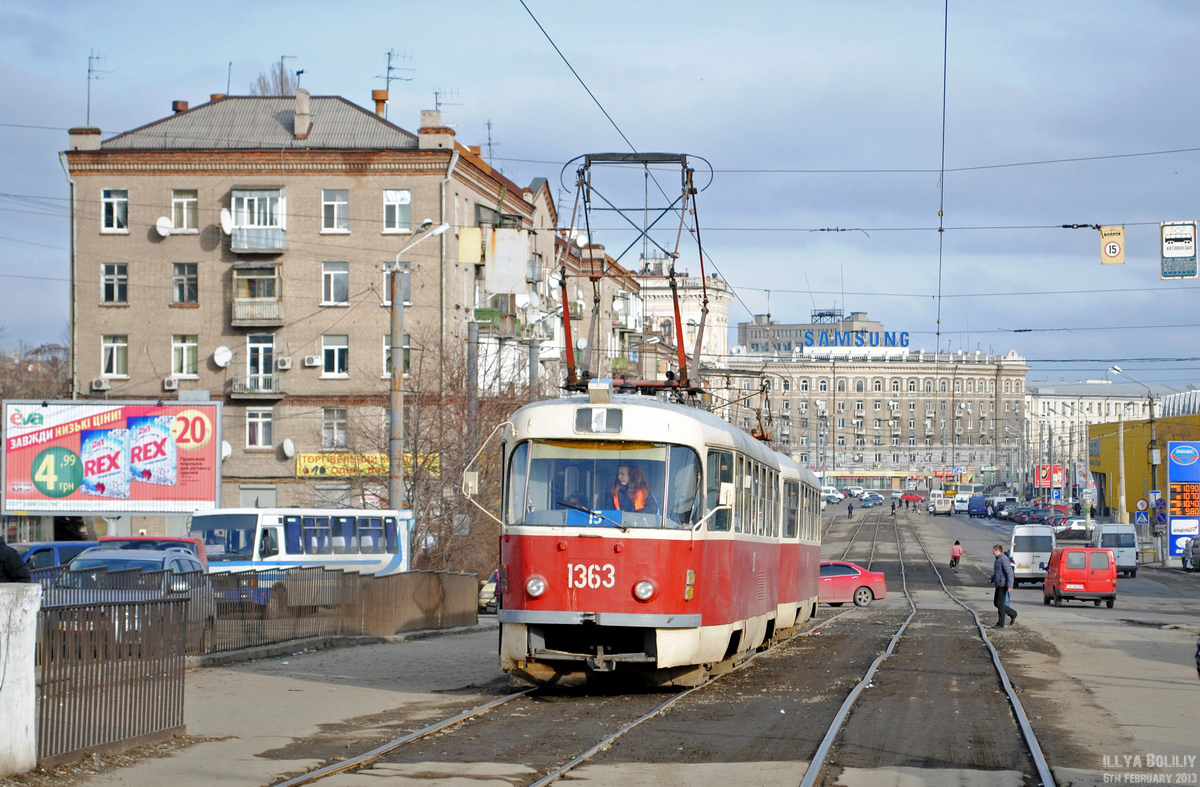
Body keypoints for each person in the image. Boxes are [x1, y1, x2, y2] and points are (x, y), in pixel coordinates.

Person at [988, 544, 1017, 628]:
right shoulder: (998, 559)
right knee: (996, 603)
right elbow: (997, 572)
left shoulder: (1004, 559)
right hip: (999, 583)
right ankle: (1013, 613)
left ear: (997, 551)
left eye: (993, 551)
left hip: (1003, 584)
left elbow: (1010, 573)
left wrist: (1010, 586)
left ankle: (1001, 624)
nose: (993, 553)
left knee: (1000, 604)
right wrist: (991, 579)